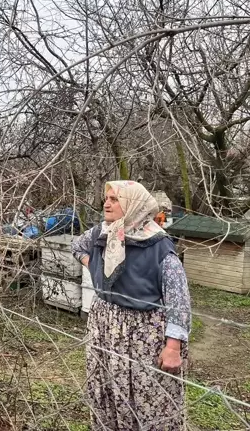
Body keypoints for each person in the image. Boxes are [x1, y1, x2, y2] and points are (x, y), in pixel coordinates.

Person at [71, 180, 191, 430]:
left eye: (115, 199)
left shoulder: (158, 247)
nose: (107, 203)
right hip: (104, 326)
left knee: (148, 398)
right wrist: (93, 265)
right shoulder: (101, 233)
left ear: (134, 204)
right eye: (107, 198)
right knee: (105, 387)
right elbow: (77, 246)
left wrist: (173, 347)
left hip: (142, 333)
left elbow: (178, 299)